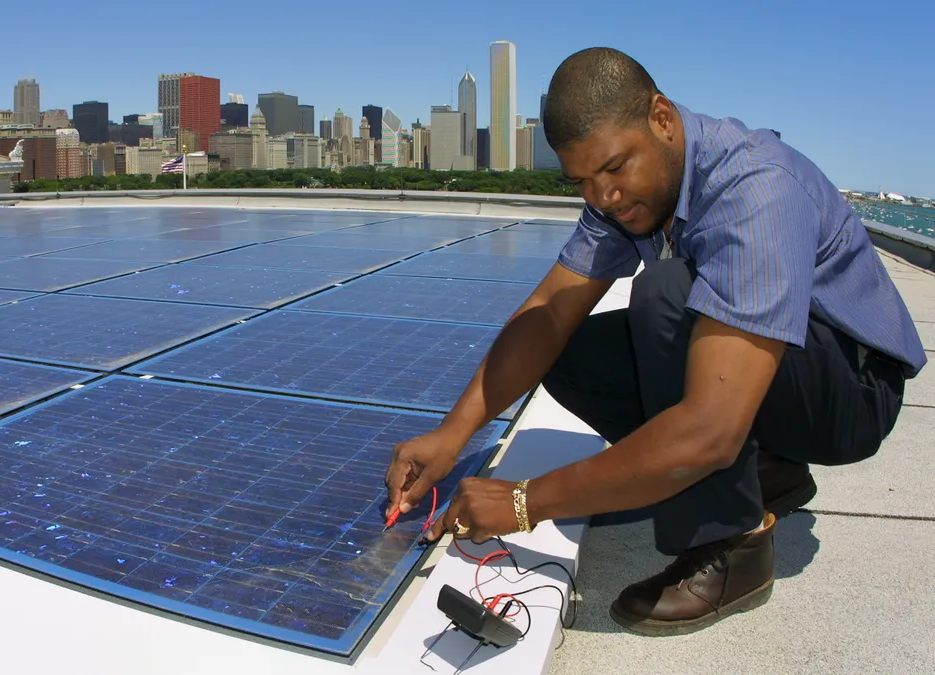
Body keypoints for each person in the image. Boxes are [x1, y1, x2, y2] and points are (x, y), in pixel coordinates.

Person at [383, 46, 925, 636]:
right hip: (773, 374)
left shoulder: (756, 188)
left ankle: (731, 547)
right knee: (565, 346)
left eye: (616, 168)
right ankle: (768, 474)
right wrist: (451, 434)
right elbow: (545, 312)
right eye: (583, 182)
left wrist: (523, 501)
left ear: (662, 119)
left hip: (851, 391)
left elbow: (710, 430)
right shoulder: (621, 195)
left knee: (665, 292)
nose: (603, 197)